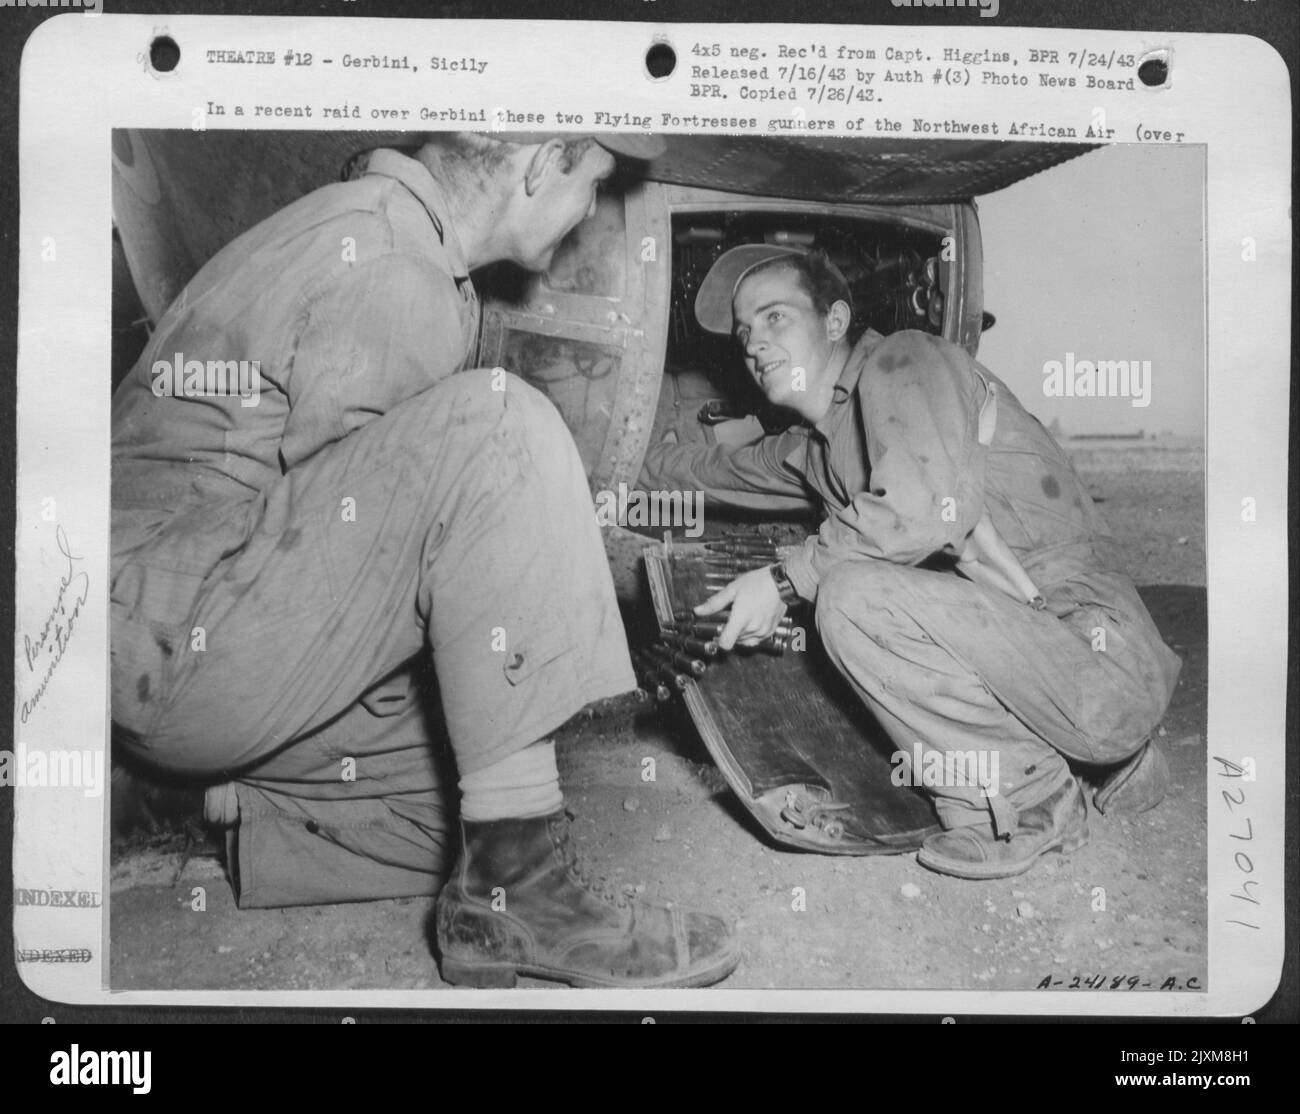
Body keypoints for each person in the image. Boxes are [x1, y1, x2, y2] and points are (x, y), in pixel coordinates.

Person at [111, 132, 741, 988]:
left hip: (173, 636)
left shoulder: (373, 226)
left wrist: (548, 661)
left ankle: (192, 800)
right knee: (496, 423)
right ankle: (522, 893)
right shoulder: (391, 260)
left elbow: (367, 557)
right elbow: (399, 534)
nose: (592, 208)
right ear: (542, 161)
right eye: (593, 180)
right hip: (176, 629)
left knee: (482, 786)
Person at [639, 244, 1181, 880]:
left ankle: (1033, 800)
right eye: (744, 331)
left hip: (1097, 656)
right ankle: (1103, 759)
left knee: (849, 597)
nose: (754, 343)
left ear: (835, 321)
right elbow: (701, 473)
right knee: (847, 584)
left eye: (776, 317)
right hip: (1040, 663)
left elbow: (927, 509)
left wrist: (784, 581)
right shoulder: (813, 450)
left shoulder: (905, 359)